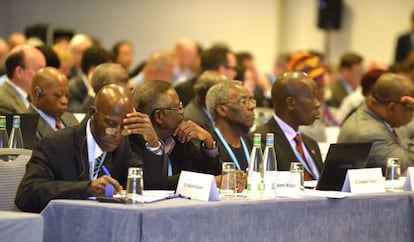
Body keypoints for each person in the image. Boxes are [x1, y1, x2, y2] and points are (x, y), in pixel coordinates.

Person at [15, 84, 147, 213]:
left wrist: (153, 145)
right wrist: (86, 188)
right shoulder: (55, 144)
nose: (117, 134)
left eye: (124, 127)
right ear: (92, 114)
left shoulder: (122, 145)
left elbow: (145, 184)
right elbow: (27, 194)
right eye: (110, 124)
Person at [127, 80, 223, 190]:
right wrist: (203, 182)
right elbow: (152, 184)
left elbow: (212, 174)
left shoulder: (179, 138)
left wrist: (208, 142)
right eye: (178, 107)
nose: (182, 112)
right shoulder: (131, 142)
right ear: (159, 116)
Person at [252, 71, 323, 180]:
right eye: (311, 97)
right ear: (290, 103)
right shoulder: (261, 141)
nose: (317, 104)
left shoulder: (311, 144)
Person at [337, 73, 414, 174]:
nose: (412, 113)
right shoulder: (367, 133)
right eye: (410, 107)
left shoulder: (377, 116)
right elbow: (408, 167)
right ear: (392, 107)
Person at [206, 80, 255, 171]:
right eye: (243, 102)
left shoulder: (253, 145)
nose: (252, 106)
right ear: (222, 110)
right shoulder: (209, 149)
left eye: (251, 100)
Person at [28, 67, 79, 141]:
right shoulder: (27, 127)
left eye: (67, 96)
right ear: (38, 93)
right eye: (57, 95)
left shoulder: (70, 118)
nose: (64, 101)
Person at [0, 45, 46, 114]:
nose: (44, 76)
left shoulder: (35, 96)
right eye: (39, 70)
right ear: (19, 72)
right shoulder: (4, 102)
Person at [68, 46, 111, 113]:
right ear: (93, 69)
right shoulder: (72, 88)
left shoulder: (106, 87)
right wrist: (92, 91)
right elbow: (77, 115)